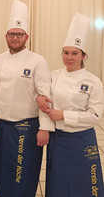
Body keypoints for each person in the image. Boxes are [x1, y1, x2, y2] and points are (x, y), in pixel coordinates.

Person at [0, 0, 54, 197]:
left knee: (24, 174)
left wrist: (44, 128)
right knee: (4, 172)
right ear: (6, 36)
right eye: (11, 34)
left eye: (19, 34)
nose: (15, 38)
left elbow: (45, 96)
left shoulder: (37, 61)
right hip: (2, 127)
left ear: (26, 36)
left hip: (27, 128)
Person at [36, 13, 104, 197]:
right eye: (66, 53)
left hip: (82, 140)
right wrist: (39, 98)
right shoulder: (54, 75)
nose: (69, 57)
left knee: (85, 186)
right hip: (59, 141)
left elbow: (96, 116)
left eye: (75, 53)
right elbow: (43, 101)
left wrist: (64, 115)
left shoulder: (93, 81)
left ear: (83, 55)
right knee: (59, 184)